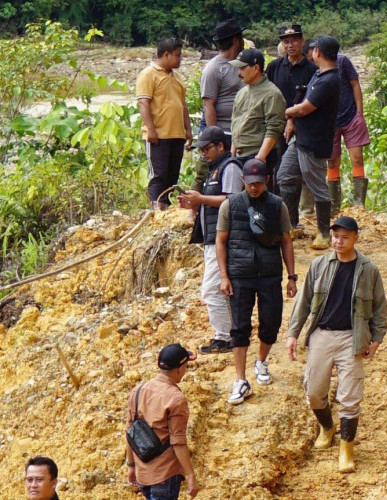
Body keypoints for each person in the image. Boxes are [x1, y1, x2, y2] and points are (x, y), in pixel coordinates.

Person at [286, 216, 387, 472]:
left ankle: (346, 449)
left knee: (350, 396)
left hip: (351, 338)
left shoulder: (368, 270)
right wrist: (293, 333)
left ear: (355, 238)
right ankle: (327, 427)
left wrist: (376, 339)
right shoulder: (319, 265)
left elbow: (379, 308)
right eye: (335, 236)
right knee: (313, 392)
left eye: (344, 237)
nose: (338, 241)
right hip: (322, 334)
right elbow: (304, 302)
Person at [216, 158, 297, 405]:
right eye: (250, 183)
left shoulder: (277, 206)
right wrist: (224, 276)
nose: (254, 188)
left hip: (270, 274)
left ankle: (261, 361)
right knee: (239, 327)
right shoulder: (230, 205)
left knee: (270, 323)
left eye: (259, 183)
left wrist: (291, 276)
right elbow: (220, 241)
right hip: (240, 275)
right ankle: (240, 380)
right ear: (243, 181)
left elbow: (286, 241)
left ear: (267, 181)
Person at [178, 126, 243, 354]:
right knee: (220, 288)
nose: (203, 153)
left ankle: (224, 337)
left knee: (211, 289)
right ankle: (231, 333)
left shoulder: (230, 167)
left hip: (223, 238)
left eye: (207, 149)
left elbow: (232, 200)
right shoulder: (214, 168)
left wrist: (201, 198)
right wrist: (194, 203)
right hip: (212, 238)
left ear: (220, 146)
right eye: (201, 150)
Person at [277, 35, 341, 249]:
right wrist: (292, 119)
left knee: (317, 186)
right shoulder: (318, 74)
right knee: (285, 175)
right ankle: (292, 224)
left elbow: (306, 107)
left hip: (314, 140)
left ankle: (324, 232)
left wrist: (284, 112)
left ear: (318, 53)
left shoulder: (329, 80)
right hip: (300, 138)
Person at [126, 343, 200, 499]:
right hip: (165, 475)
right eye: (186, 365)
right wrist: (191, 475)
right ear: (180, 368)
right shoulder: (176, 399)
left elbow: (130, 432)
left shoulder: (138, 391)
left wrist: (131, 466)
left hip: (143, 473)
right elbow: (178, 441)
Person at [136, 38, 193, 210]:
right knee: (158, 176)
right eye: (177, 56)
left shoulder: (177, 78)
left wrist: (188, 130)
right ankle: (156, 210)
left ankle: (166, 208)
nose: (180, 59)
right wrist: (151, 130)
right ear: (166, 55)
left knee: (172, 175)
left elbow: (182, 106)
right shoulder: (148, 75)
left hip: (177, 134)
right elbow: (143, 103)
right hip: (158, 136)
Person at [266, 24, 318, 209]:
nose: (290, 45)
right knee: (274, 167)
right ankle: (275, 212)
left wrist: (293, 121)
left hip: (302, 128)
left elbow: (312, 101)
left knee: (294, 172)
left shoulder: (311, 69)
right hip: (275, 125)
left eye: (294, 40)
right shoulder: (274, 67)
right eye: (286, 41)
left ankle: (293, 216)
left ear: (302, 42)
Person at [191, 20, 246, 192]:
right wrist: (216, 137)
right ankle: (194, 206)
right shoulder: (213, 69)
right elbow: (209, 106)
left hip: (241, 130)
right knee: (207, 171)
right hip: (223, 130)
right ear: (236, 40)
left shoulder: (242, 64)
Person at [229, 49, 287, 192]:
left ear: (256, 69)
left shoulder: (272, 93)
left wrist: (260, 158)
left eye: (243, 68)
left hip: (258, 154)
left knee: (260, 199)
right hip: (240, 154)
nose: (238, 73)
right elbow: (236, 122)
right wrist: (232, 153)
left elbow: (274, 129)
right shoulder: (242, 92)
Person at [326, 53, 371, 213]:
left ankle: (359, 205)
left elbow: (355, 84)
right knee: (332, 162)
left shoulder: (342, 61)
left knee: (357, 158)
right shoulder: (315, 66)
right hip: (330, 121)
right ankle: (334, 206)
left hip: (351, 116)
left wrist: (360, 113)